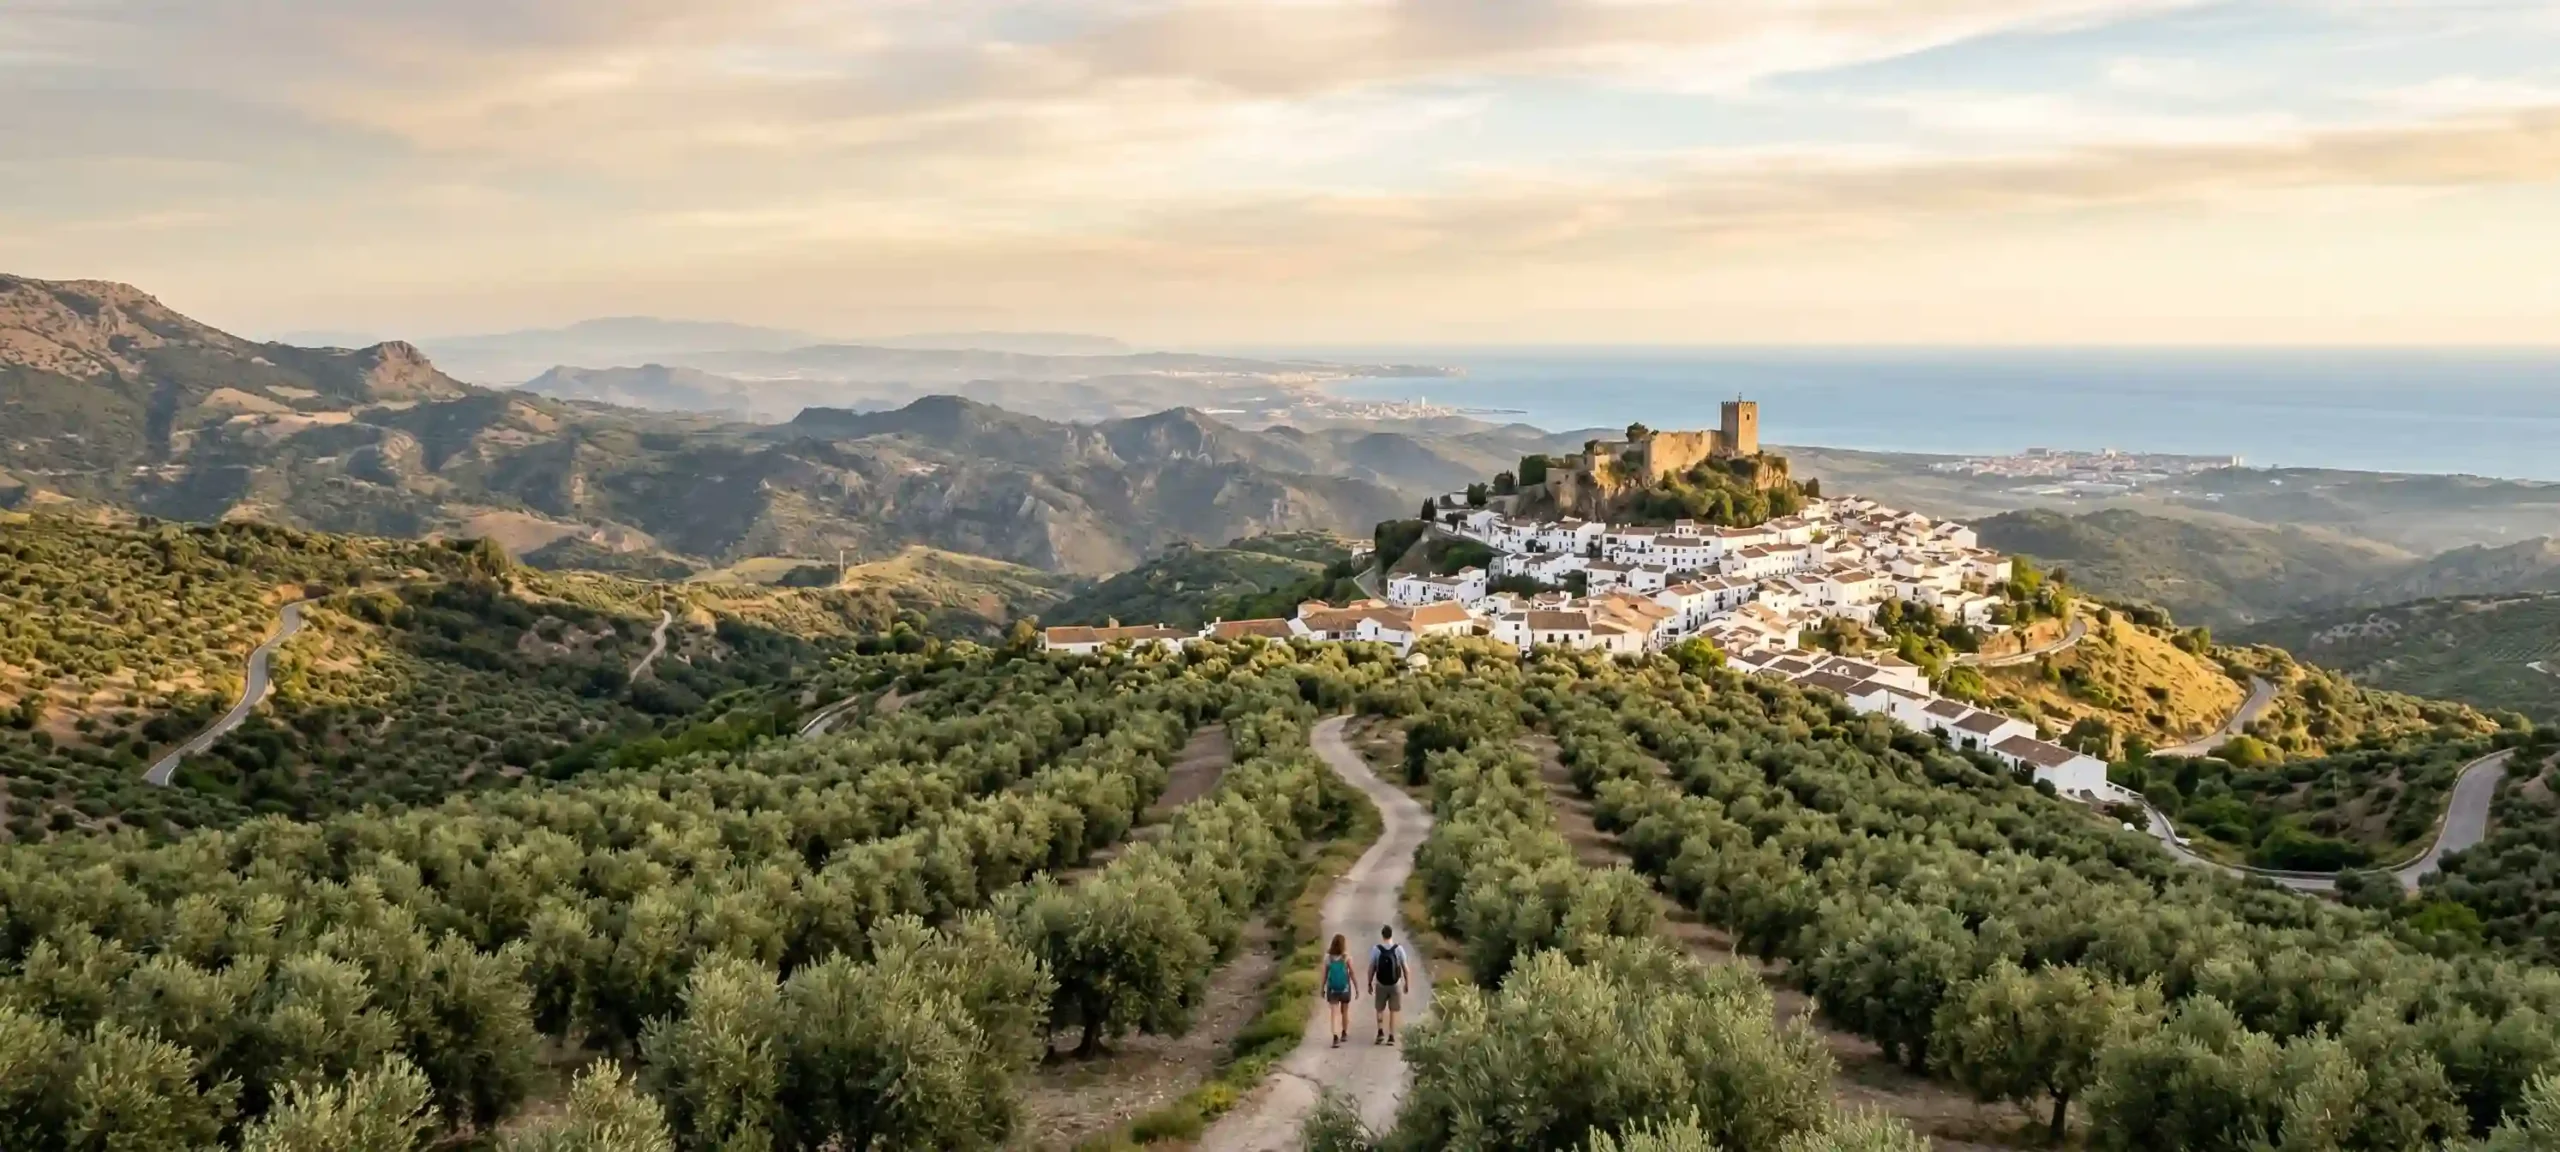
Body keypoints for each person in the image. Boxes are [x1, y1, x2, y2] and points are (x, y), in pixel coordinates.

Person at [1366, 924, 1409, 1045]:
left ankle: (1380, 1031)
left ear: (1382, 935)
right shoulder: (1398, 949)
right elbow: (1406, 968)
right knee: (1393, 1010)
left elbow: (1371, 968)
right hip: (1395, 984)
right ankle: (1391, 1035)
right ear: (1391, 935)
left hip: (1381, 983)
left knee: (1379, 1008)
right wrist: (1407, 983)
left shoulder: (1376, 949)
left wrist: (1369, 982)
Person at [1321, 934, 1355, 1046]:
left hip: (1332, 989)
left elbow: (1325, 975)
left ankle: (1335, 1036)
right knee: (1344, 1011)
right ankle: (1344, 1033)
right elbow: (1352, 973)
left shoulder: (1328, 957)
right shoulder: (1346, 957)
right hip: (1345, 988)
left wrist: (1322, 988)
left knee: (1333, 1013)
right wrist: (1357, 987)